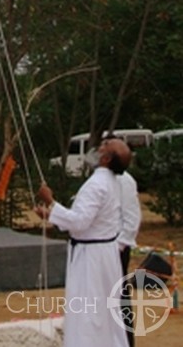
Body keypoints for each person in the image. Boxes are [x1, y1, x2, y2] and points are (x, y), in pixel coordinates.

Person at [35, 137, 131, 347]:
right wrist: (50, 215)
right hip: (103, 253)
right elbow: (88, 222)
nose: (99, 146)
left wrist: (51, 201)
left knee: (88, 313)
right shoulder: (110, 182)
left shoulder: (97, 184)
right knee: (104, 311)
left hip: (92, 259)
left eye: (105, 145)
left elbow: (79, 222)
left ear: (106, 158)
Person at [117, 167, 141, 347]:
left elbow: (132, 218)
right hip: (102, 248)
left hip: (117, 248)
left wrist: (119, 245)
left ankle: (126, 340)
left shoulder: (125, 180)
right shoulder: (101, 177)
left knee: (119, 295)